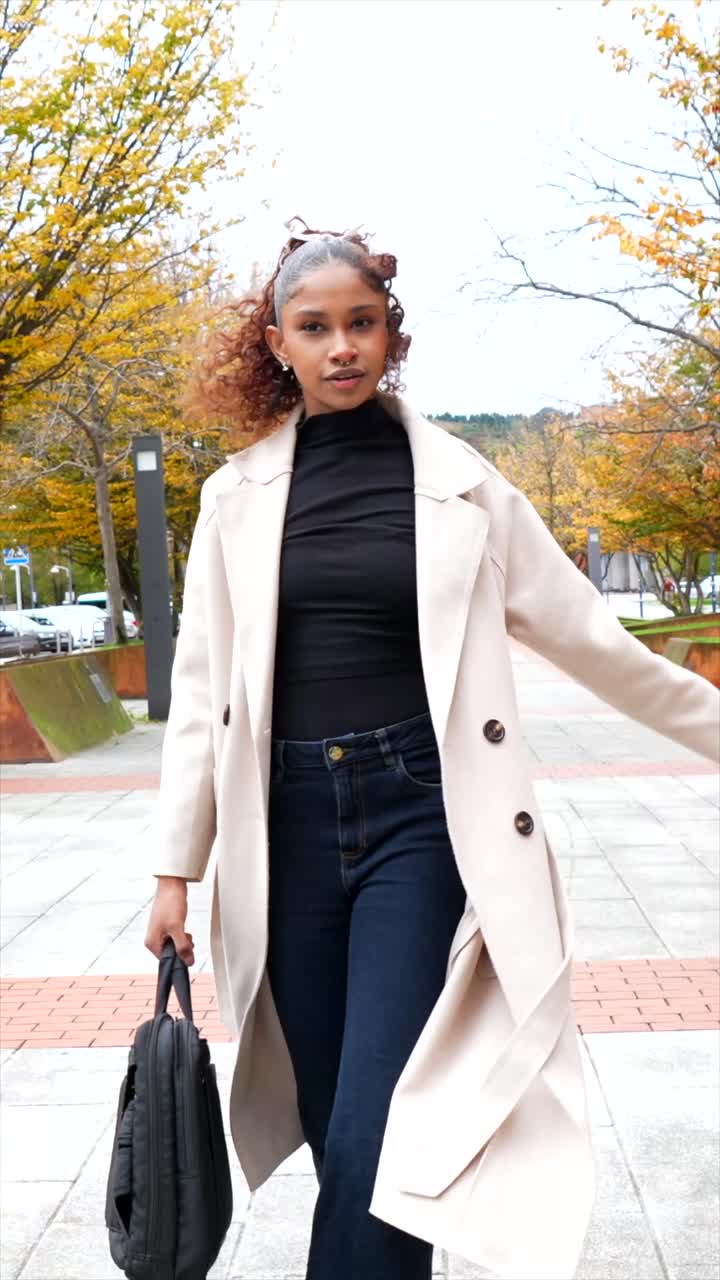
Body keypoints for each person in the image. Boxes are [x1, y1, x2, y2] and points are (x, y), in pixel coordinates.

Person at [144, 220, 720, 1280]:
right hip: (285, 833)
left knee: (386, 1130)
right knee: (335, 1124)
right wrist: (175, 868)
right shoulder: (235, 498)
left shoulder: (464, 484)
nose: (342, 347)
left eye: (362, 323)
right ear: (275, 342)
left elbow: (591, 635)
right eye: (314, 328)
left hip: (420, 814)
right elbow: (200, 697)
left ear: (390, 333)